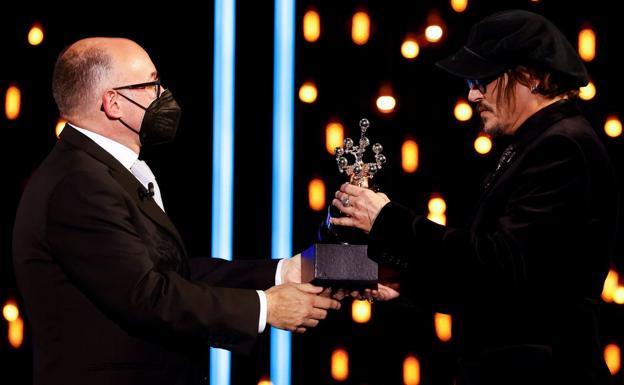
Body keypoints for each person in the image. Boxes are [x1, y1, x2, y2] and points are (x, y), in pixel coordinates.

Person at [12, 37, 340, 385]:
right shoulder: (79, 183)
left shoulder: (102, 171)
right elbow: (148, 295)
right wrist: (265, 308)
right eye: (151, 85)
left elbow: (172, 275)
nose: (163, 95)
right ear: (113, 103)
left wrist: (283, 273)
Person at [332, 10, 618, 385]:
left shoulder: (561, 146)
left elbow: (502, 268)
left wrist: (389, 220)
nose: (471, 95)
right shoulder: (539, 141)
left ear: (530, 77)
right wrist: (409, 282)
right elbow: (505, 287)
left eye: (482, 79)